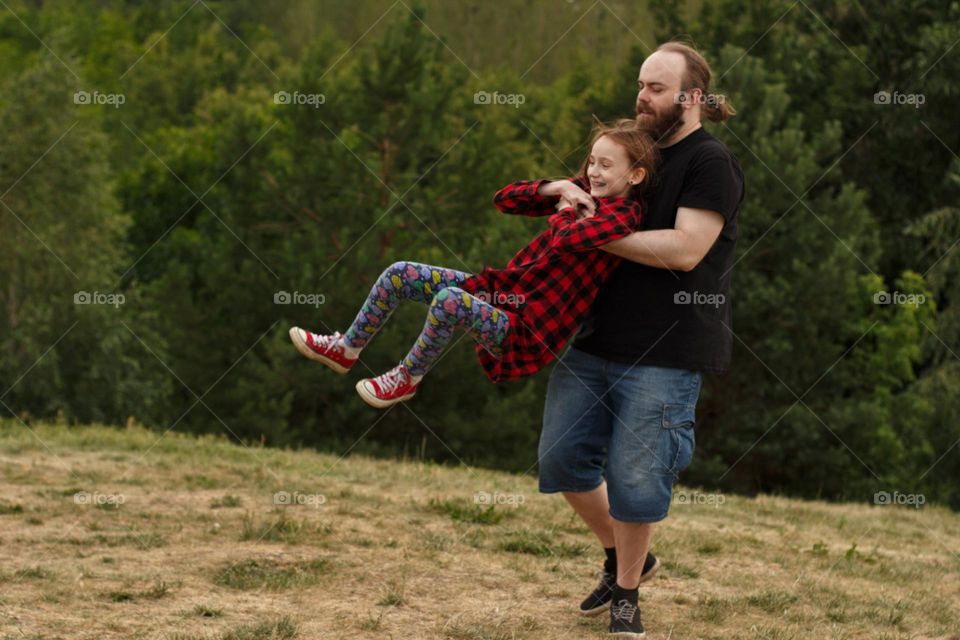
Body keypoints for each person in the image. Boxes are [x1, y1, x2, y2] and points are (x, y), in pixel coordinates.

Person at [537, 41, 744, 639]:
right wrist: (557, 191)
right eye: (641, 84)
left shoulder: (711, 164)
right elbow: (574, 199)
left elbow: (685, 250)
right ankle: (630, 557)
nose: (642, 96)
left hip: (669, 348)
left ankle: (625, 593)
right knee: (561, 459)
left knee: (636, 478)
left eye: (656, 87)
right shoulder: (633, 155)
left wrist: (587, 238)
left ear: (692, 97)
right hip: (597, 338)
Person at [289, 119, 658, 409]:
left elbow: (566, 240)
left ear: (635, 175)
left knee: (449, 300)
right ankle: (347, 349)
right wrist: (557, 187)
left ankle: (407, 378)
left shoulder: (625, 215)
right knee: (400, 273)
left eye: (606, 165)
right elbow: (505, 200)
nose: (594, 171)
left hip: (527, 329)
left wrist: (564, 211)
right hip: (503, 294)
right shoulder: (583, 194)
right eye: (591, 161)